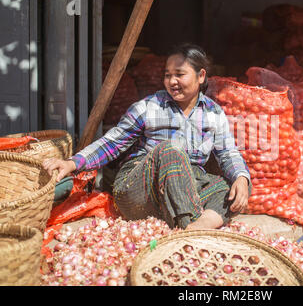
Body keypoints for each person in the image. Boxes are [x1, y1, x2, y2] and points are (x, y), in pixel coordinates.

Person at [43, 43, 252, 230]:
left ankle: (199, 227)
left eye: (179, 74)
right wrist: (73, 163)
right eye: (167, 75)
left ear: (201, 76)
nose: (172, 81)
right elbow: (113, 142)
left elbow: (227, 153)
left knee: (237, 185)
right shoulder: (150, 106)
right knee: (170, 150)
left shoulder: (213, 113)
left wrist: (241, 177)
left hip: (187, 185)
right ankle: (187, 226)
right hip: (141, 190)